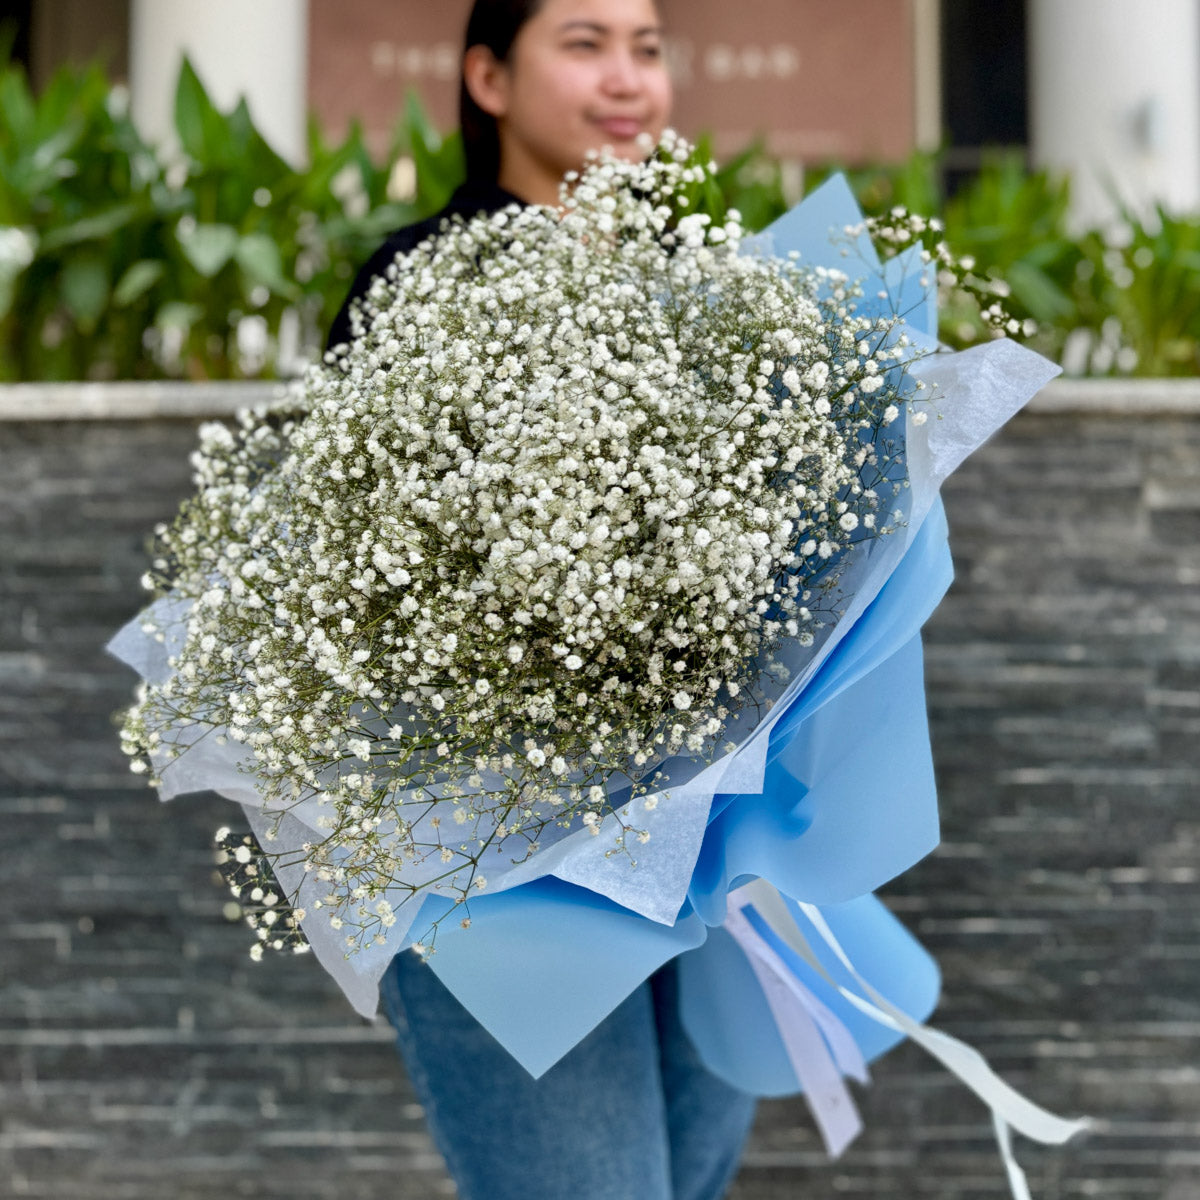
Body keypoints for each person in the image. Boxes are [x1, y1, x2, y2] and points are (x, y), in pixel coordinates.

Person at [325, 3, 759, 1199]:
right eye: (585, 43)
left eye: (649, 47)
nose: (628, 80)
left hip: (706, 839)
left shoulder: (712, 287)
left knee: (688, 1180)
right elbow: (359, 578)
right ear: (489, 78)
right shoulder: (418, 282)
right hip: (497, 855)